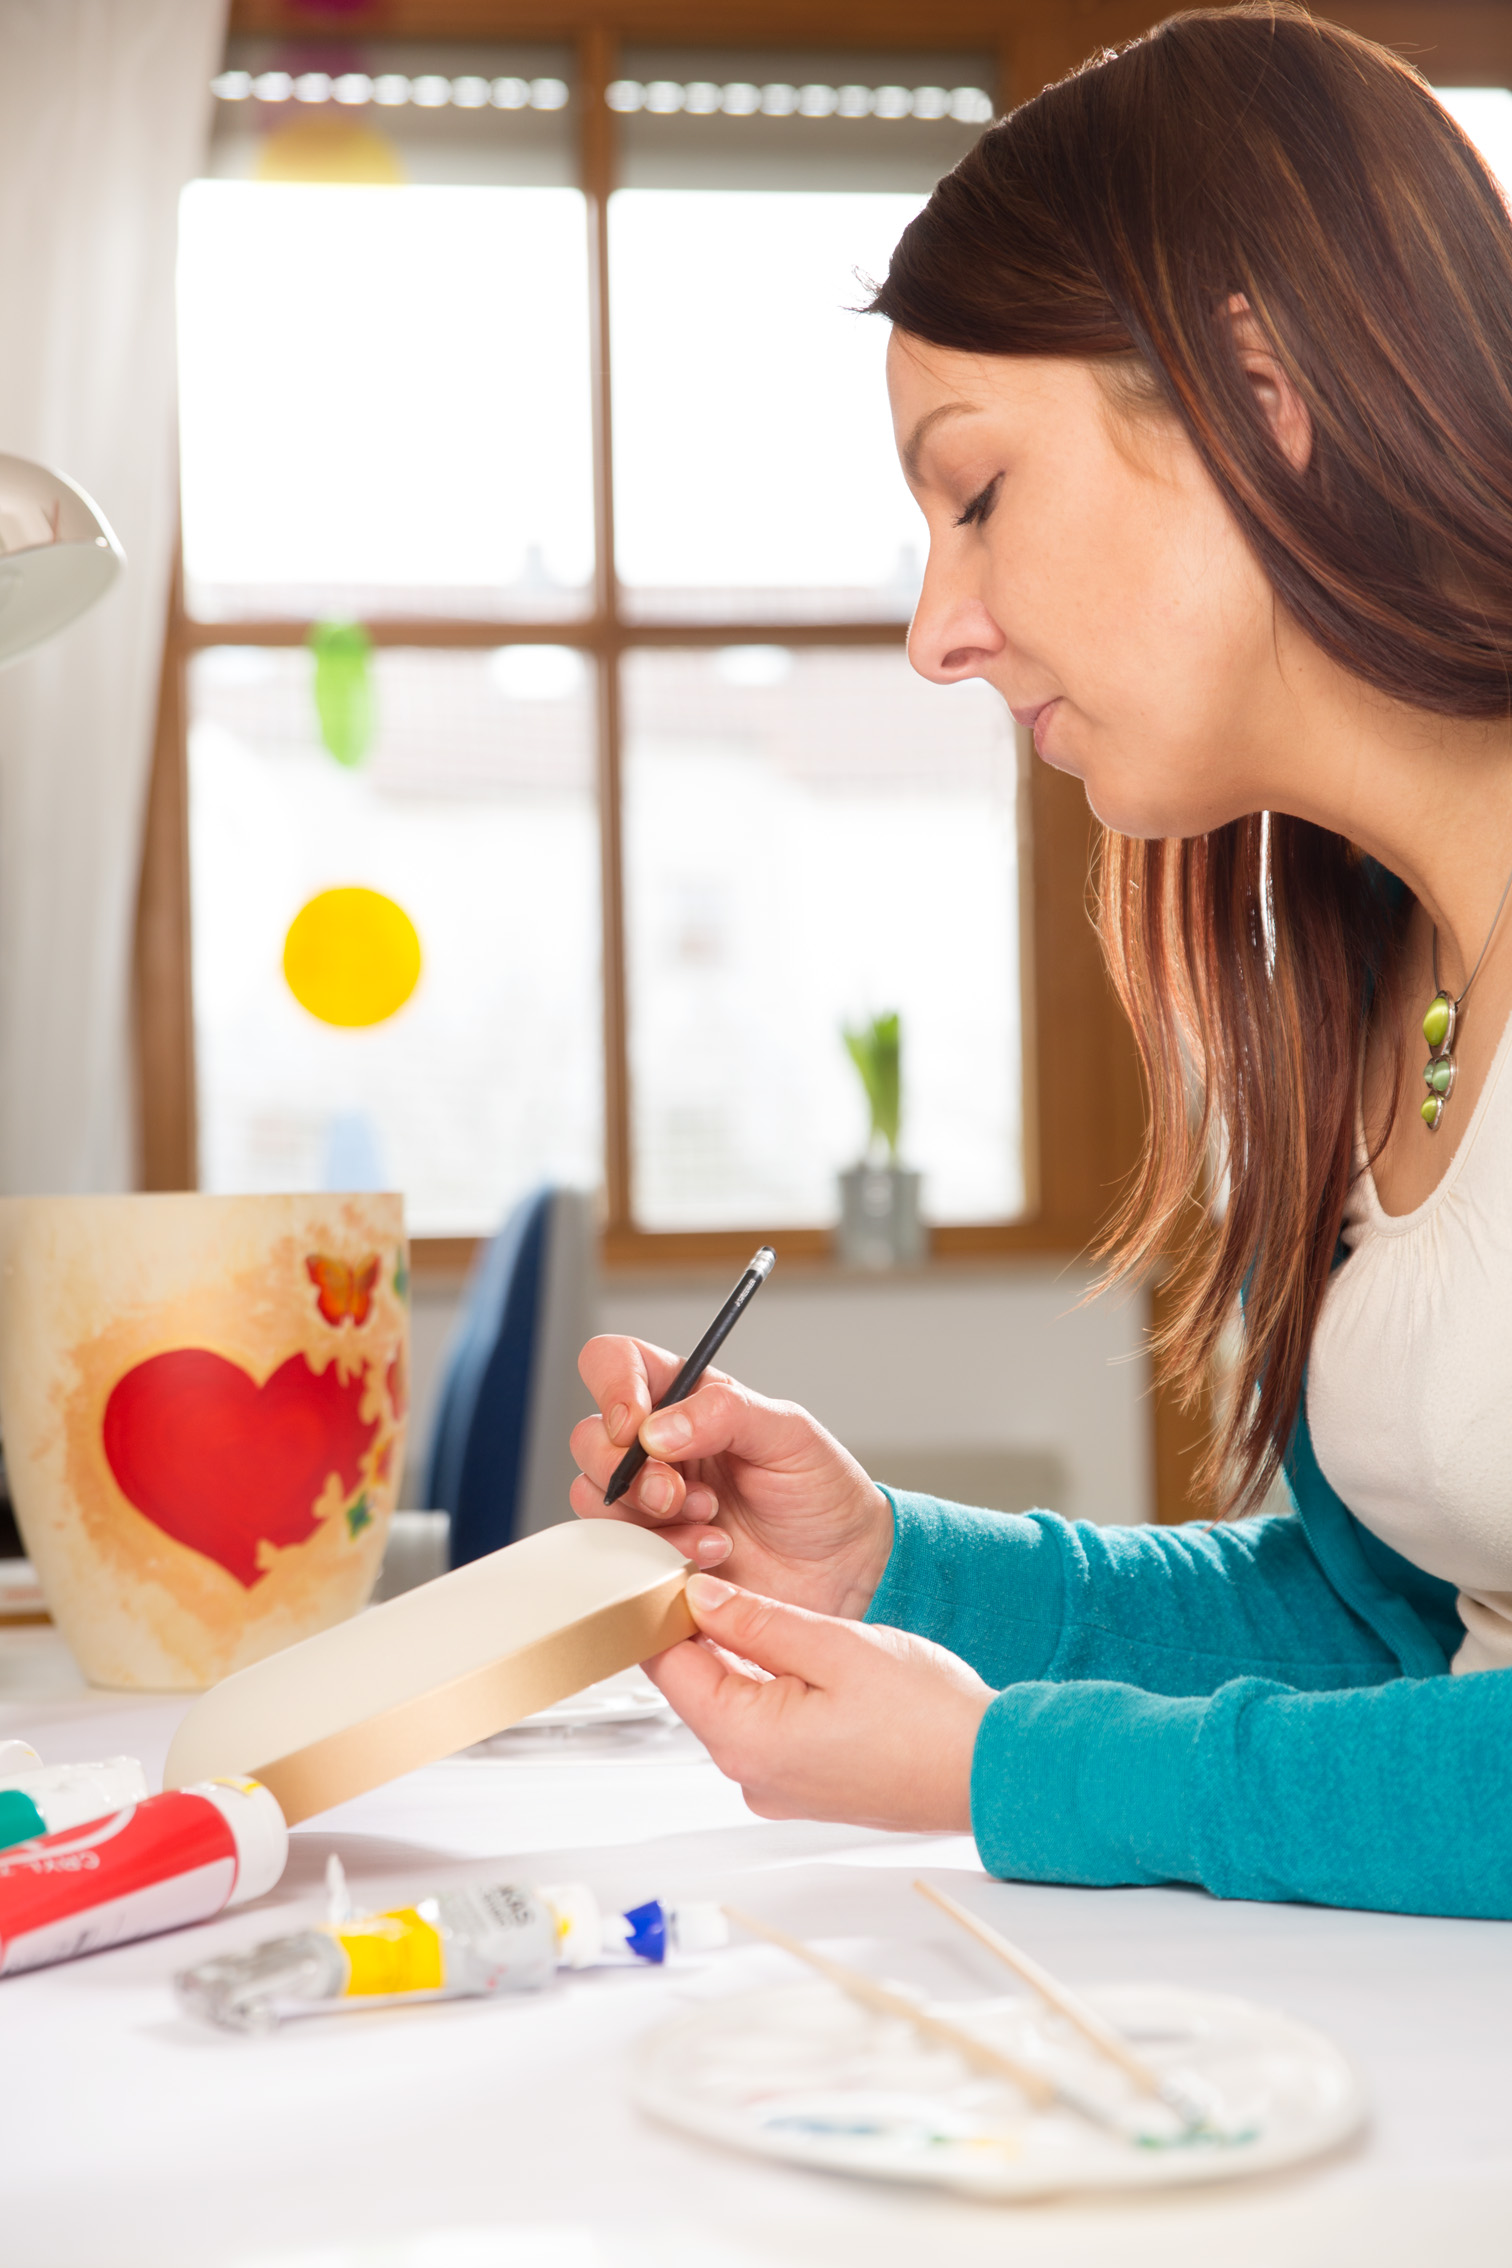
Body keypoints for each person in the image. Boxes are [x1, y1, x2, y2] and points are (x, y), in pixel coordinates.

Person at [570, 4, 1512, 1920]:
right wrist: (886, 1568)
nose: (936, 630)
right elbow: (1389, 1634)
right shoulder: (1378, 965)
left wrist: (1011, 1763)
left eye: (979, 495)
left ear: (1262, 394)